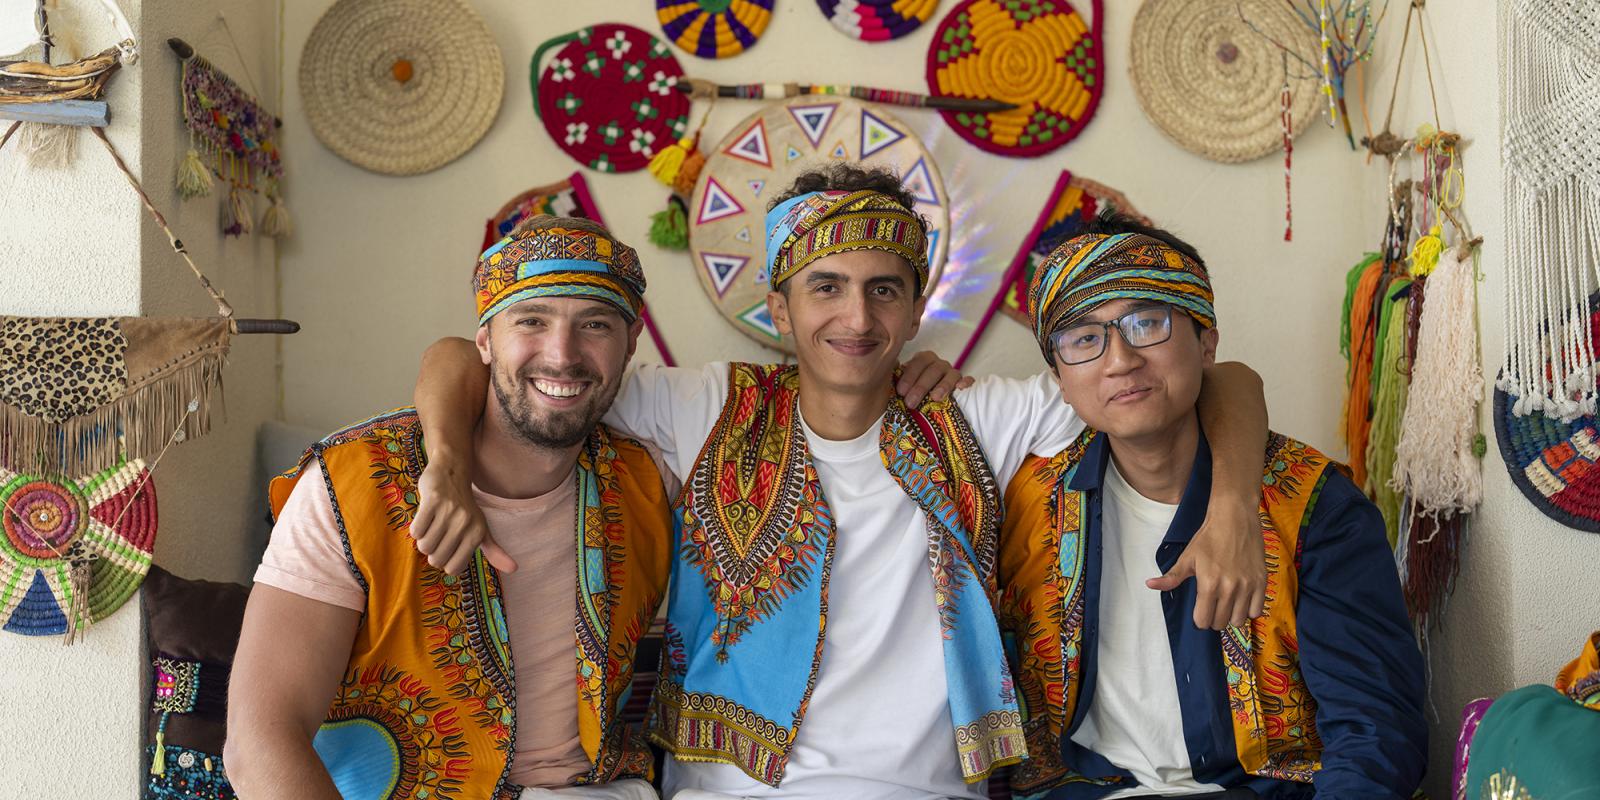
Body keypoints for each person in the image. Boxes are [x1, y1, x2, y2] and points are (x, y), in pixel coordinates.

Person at [412, 164, 1272, 799]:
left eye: (883, 290)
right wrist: (445, 466)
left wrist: (1232, 508)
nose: (857, 318)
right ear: (780, 308)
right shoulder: (704, 405)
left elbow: (1219, 377)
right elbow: (464, 356)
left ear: (916, 307)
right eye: (826, 287)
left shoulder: (978, 419)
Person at [226, 216, 673, 800]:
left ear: (631, 342)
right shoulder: (354, 483)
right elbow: (258, 745)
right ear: (485, 340)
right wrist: (447, 462)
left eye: (594, 324)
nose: (562, 355)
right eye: (531, 320)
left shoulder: (648, 480)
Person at [997, 214, 1427, 799]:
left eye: (1146, 323)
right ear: (1058, 379)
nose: (1119, 360)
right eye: (1084, 339)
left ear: (1207, 344)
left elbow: (1374, 733)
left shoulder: (1314, 507)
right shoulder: (1023, 500)